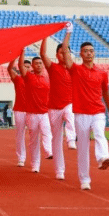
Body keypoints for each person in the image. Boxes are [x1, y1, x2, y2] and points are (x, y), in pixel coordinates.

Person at [63, 38, 109, 191]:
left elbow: (106, 92)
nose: (89, 53)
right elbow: (65, 52)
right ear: (81, 54)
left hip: (98, 111)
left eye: (91, 51)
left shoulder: (102, 73)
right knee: (83, 147)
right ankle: (84, 179)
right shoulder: (76, 69)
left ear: (94, 53)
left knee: (99, 133)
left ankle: (103, 157)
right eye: (86, 51)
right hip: (81, 113)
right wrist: (68, 33)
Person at [40, 26, 76, 180]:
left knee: (70, 115)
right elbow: (42, 54)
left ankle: (71, 139)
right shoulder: (52, 67)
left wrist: (68, 33)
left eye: (66, 52)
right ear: (56, 55)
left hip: (68, 103)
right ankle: (59, 171)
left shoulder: (74, 69)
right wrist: (45, 36)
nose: (63, 55)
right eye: (61, 53)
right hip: (53, 107)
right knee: (55, 140)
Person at [19, 50, 52, 173]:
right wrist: (22, 50)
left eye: (40, 63)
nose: (39, 65)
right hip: (32, 114)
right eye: (36, 63)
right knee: (33, 141)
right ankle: (35, 164)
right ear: (32, 66)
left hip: (44, 113)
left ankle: (49, 151)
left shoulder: (47, 78)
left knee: (47, 132)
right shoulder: (28, 77)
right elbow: (20, 65)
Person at [8, 58, 31, 166]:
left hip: (32, 110)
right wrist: (15, 57)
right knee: (20, 135)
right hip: (19, 110)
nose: (26, 68)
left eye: (27, 67)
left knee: (34, 134)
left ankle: (35, 159)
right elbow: (9, 68)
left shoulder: (34, 78)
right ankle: (21, 158)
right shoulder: (17, 78)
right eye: (24, 66)